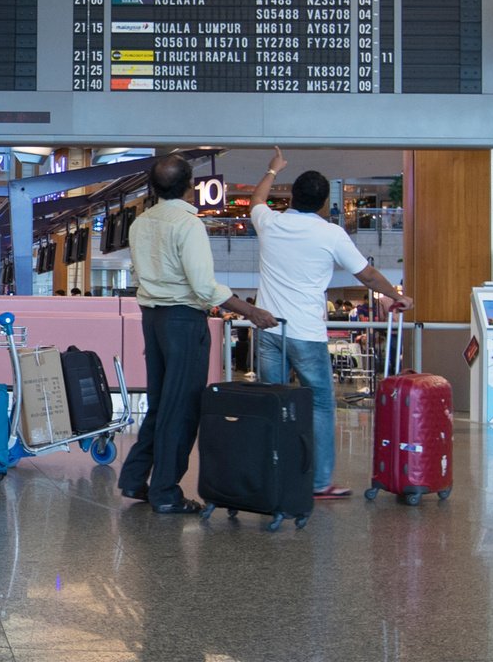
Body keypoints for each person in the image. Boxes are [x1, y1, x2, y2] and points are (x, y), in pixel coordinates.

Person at [248, 148, 411, 500]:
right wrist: (398, 296)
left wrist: (273, 170)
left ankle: (274, 475)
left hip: (269, 331)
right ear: (324, 203)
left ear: (291, 197)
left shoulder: (271, 223)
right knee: (321, 404)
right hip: (306, 333)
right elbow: (366, 274)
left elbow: (256, 200)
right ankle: (320, 482)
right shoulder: (330, 233)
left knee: (271, 403)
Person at [118, 154, 275, 513]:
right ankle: (166, 493)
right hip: (183, 321)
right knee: (183, 407)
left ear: (154, 187)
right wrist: (251, 311)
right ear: (190, 186)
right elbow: (204, 287)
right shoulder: (188, 225)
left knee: (160, 403)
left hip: (152, 319)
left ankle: (134, 478)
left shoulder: (141, 223)